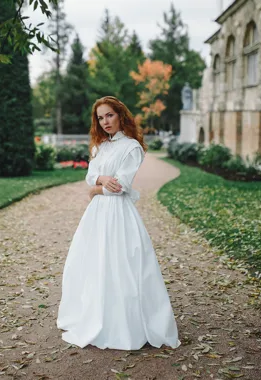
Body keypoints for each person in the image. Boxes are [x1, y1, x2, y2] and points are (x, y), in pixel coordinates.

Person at [56, 96, 180, 350]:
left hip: (117, 214)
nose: (105, 122)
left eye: (109, 115)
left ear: (121, 115)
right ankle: (93, 315)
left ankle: (127, 324)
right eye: (100, 118)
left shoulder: (131, 147)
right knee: (92, 262)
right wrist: (100, 178)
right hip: (96, 216)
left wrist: (95, 191)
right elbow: (91, 175)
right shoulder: (100, 147)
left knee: (121, 265)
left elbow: (120, 187)